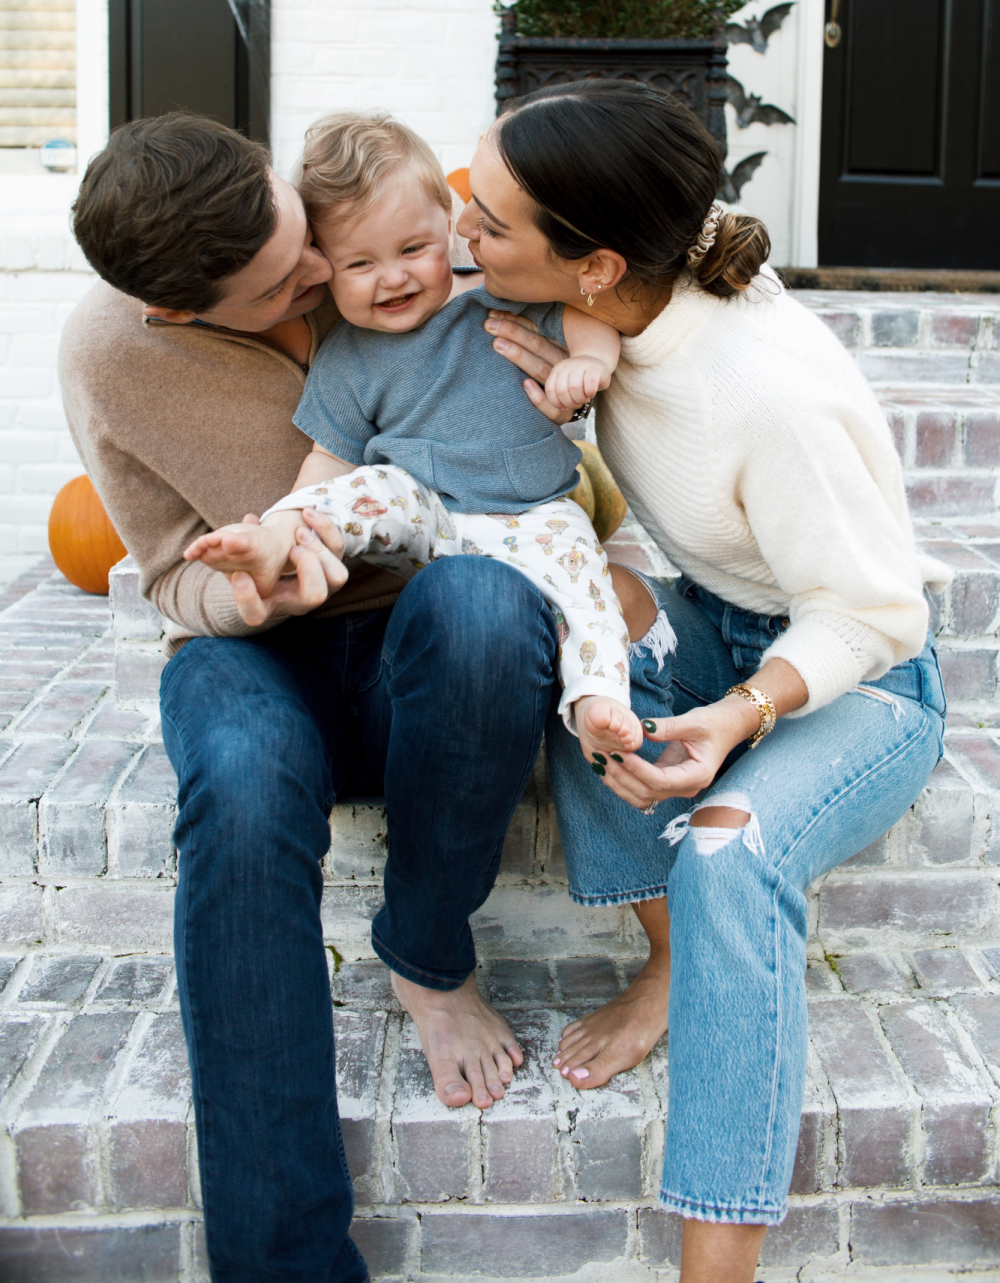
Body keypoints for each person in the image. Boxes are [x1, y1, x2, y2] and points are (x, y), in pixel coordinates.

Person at [59, 112, 667, 1283]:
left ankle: (429, 957)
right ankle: (285, 1264)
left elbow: (555, 442)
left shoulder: (382, 238)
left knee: (489, 604)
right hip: (257, 653)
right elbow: (163, 576)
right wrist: (249, 595)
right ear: (183, 311)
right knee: (237, 792)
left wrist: (583, 457)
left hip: (425, 634)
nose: (317, 279)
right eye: (284, 282)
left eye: (302, 241)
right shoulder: (115, 356)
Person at [459, 79, 949, 1283]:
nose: (462, 233)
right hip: (712, 620)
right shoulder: (637, 295)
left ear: (594, 266)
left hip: (853, 678)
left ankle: (715, 1265)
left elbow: (877, 614)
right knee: (578, 652)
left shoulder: (764, 394)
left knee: (727, 852)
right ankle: (671, 964)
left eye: (489, 223)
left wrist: (740, 717)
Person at [185, 110, 650, 758]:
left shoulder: (499, 296)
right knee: (371, 486)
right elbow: (328, 460)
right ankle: (273, 543)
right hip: (428, 526)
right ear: (322, 263)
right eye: (360, 264)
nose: (394, 277)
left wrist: (590, 363)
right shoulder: (347, 358)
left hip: (535, 512)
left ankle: (599, 699)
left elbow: (579, 315)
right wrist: (292, 517)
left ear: (451, 225)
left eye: (412, 250)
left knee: (588, 587)